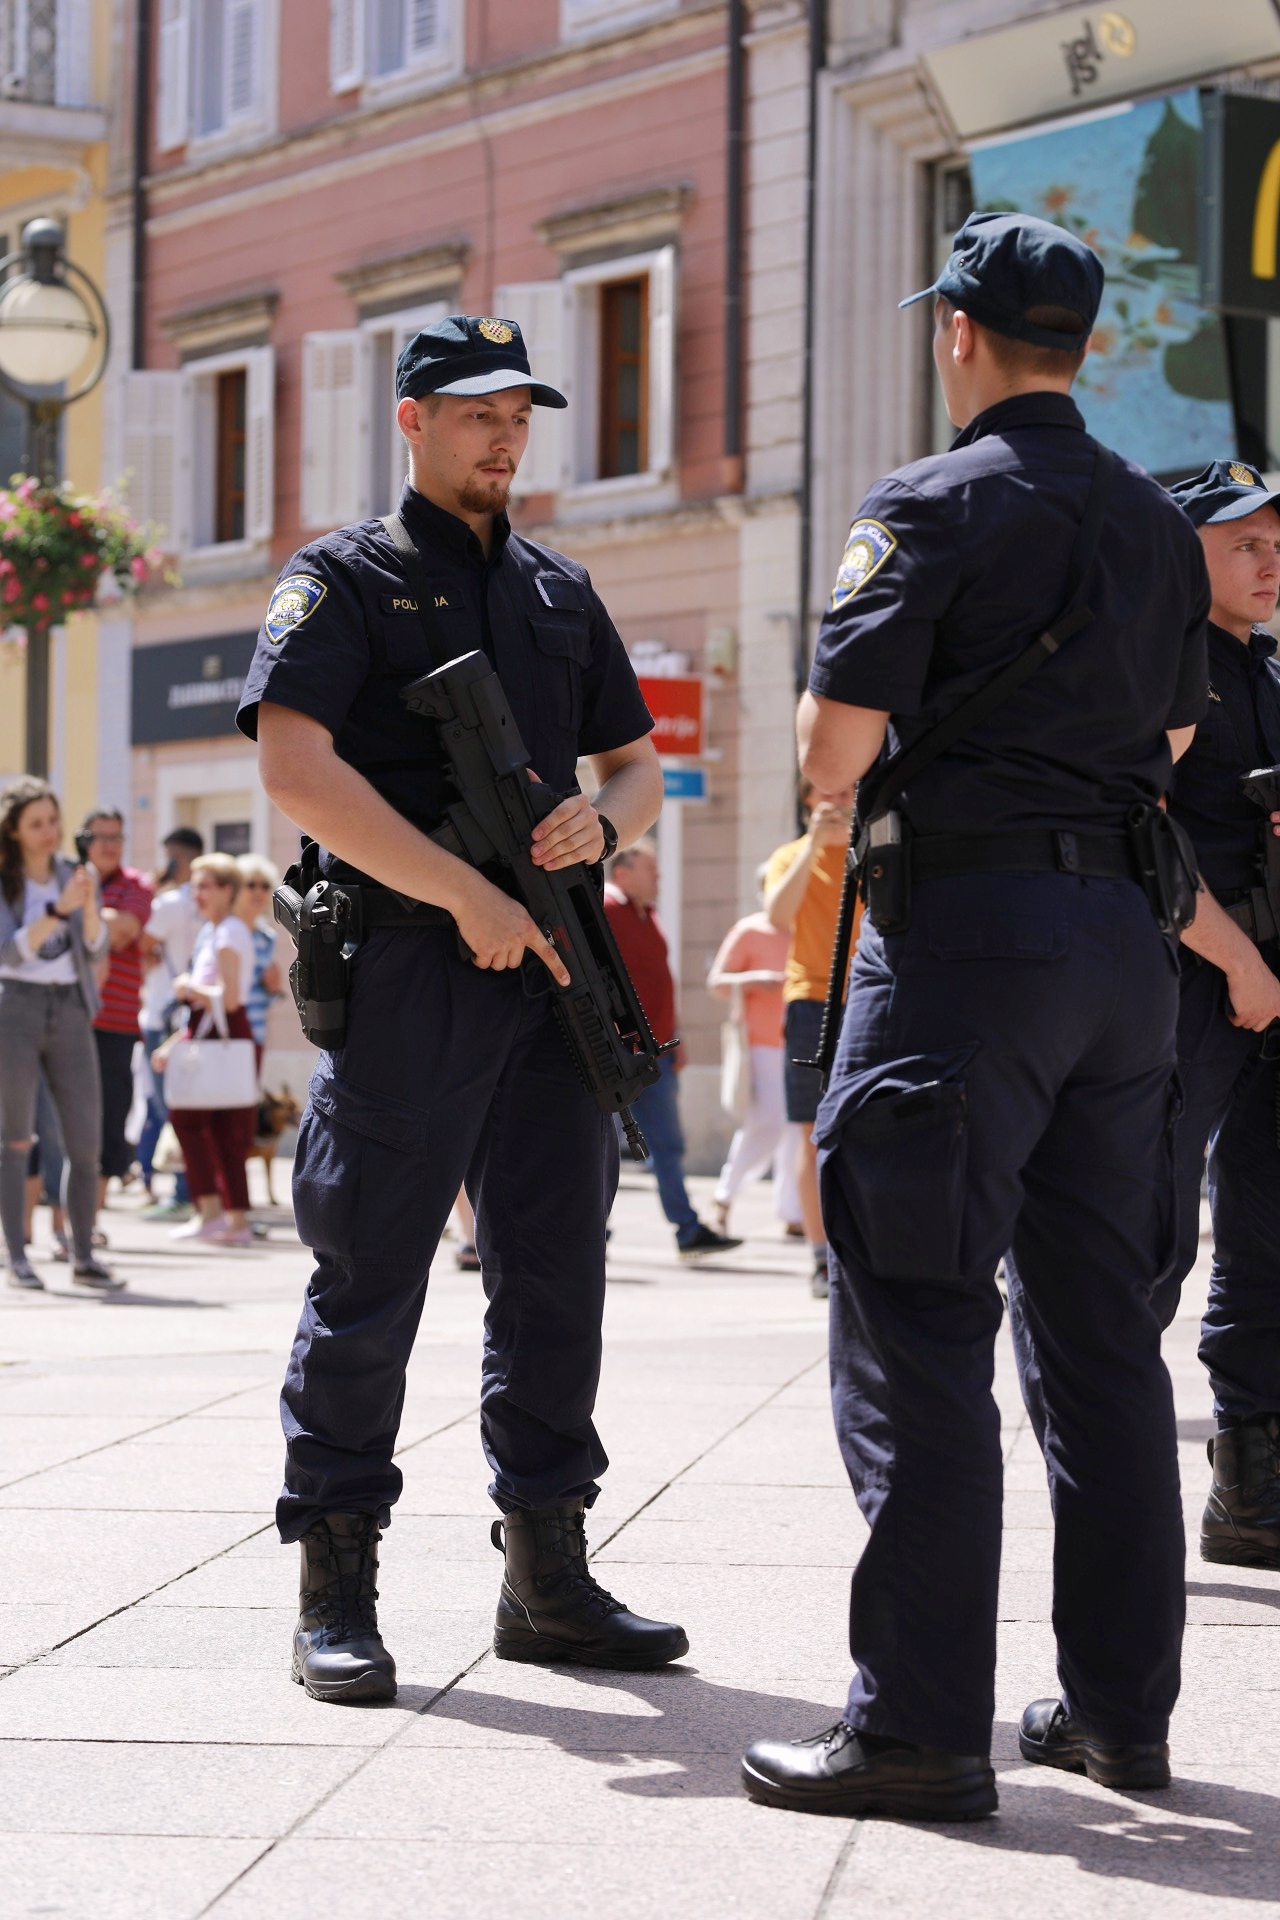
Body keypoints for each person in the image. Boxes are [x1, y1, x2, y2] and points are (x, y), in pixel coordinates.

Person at [741, 211, 1211, 1820]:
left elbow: (830, 752)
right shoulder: (1159, 524)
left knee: (917, 1327)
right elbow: (1168, 736)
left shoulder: (929, 502)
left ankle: (920, 1729)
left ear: (957, 332)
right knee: (1102, 1348)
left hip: (963, 950)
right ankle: (1118, 1719)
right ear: (1078, 342)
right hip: (1123, 953)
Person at [237, 313, 688, 1704]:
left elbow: (635, 760)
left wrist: (595, 831)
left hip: (553, 963)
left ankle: (547, 1573)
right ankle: (336, 1580)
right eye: (478, 409)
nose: (505, 433)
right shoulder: (346, 580)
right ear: (413, 421)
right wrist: (459, 896)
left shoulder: (558, 588)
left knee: (556, 1274)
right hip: (416, 971)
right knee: (370, 1271)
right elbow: (297, 772)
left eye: (521, 412)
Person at [1152, 460, 1280, 1569]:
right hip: (1188, 985)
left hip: (1269, 981)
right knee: (1140, 1247)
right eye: (1243, 541)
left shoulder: (1269, 669)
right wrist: (1233, 957)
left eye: (1273, 541)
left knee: (1266, 1242)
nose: (1268, 559)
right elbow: (1139, 832)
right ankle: (1110, 1499)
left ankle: (1249, 1489)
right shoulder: (1161, 668)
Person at [0, 777, 116, 1290]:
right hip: (16, 1007)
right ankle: (16, 1256)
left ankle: (84, 1254)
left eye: (53, 820)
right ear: (15, 832)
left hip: (70, 1006)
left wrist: (87, 907)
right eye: (37, 824)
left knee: (85, 1142)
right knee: (16, 1139)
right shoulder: (7, 882)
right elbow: (9, 954)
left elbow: (94, 947)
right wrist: (58, 908)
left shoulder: (74, 873)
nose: (49, 832)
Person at [604, 841, 741, 1261]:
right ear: (623, 873)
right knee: (598, 1147)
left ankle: (686, 1230)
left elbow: (659, 981)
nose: (659, 879)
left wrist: (675, 1034)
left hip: (656, 1053)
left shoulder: (649, 916)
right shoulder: (606, 911)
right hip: (617, 1055)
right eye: (652, 871)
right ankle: (589, 1229)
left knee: (666, 1144)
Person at [764, 782, 859, 1297]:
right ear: (806, 801)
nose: (839, 799)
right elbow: (778, 916)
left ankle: (862, 1251)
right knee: (810, 1131)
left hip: (870, 995)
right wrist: (813, 847)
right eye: (827, 792)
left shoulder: (871, 845)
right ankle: (822, 1259)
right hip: (811, 1003)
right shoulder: (790, 856)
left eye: (848, 790)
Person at [151, 854, 259, 1249]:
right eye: (195, 885)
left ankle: (217, 1214)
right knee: (217, 1129)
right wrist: (173, 1042)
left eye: (205, 885)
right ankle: (228, 1218)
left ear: (226, 890)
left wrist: (186, 988)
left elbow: (228, 1000)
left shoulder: (228, 932)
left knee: (194, 1122)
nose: (197, 894)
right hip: (213, 1033)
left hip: (223, 1033)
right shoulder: (216, 931)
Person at [706, 874, 799, 1239]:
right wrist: (755, 978)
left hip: (802, 1043)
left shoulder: (805, 928)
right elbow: (716, 982)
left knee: (797, 1129)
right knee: (768, 1122)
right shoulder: (749, 930)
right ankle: (724, 1199)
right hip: (761, 1043)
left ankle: (792, 1212)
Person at [83, 807, 152, 1218]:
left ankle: (90, 1215)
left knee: (110, 1116)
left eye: (116, 837)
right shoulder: (69, 880)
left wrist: (80, 915)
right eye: (100, 836)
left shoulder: (136, 884)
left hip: (116, 1023)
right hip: (69, 1019)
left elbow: (126, 929)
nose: (109, 845)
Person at [138, 826, 203, 1221]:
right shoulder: (206, 902)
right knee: (186, 1105)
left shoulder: (168, 904)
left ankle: (179, 1190)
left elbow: (141, 947)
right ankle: (189, 1189)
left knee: (166, 1105)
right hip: (192, 1018)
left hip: (162, 1016)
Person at [233, 853, 283, 1055]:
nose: (258, 892)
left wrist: (273, 990)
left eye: (265, 886)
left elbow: (265, 998)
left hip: (256, 1034)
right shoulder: (222, 930)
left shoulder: (267, 937)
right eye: (251, 884)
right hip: (225, 1036)